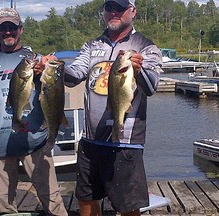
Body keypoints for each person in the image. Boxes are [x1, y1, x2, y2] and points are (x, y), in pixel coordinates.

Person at [38, 0, 162, 215]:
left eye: (120, 8)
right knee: (86, 199)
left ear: (132, 11)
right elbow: (74, 75)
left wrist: (139, 70)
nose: (114, 12)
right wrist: (55, 67)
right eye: (109, 8)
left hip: (126, 141)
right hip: (90, 139)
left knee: (128, 206)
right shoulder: (92, 45)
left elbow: (151, 87)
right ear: (104, 12)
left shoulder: (146, 46)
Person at [0, 8, 67, 215]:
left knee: (53, 202)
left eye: (12, 27)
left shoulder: (35, 59)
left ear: (21, 30)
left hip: (34, 142)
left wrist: (42, 71)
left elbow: (55, 80)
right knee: (3, 208)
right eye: (3, 28)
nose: (8, 32)